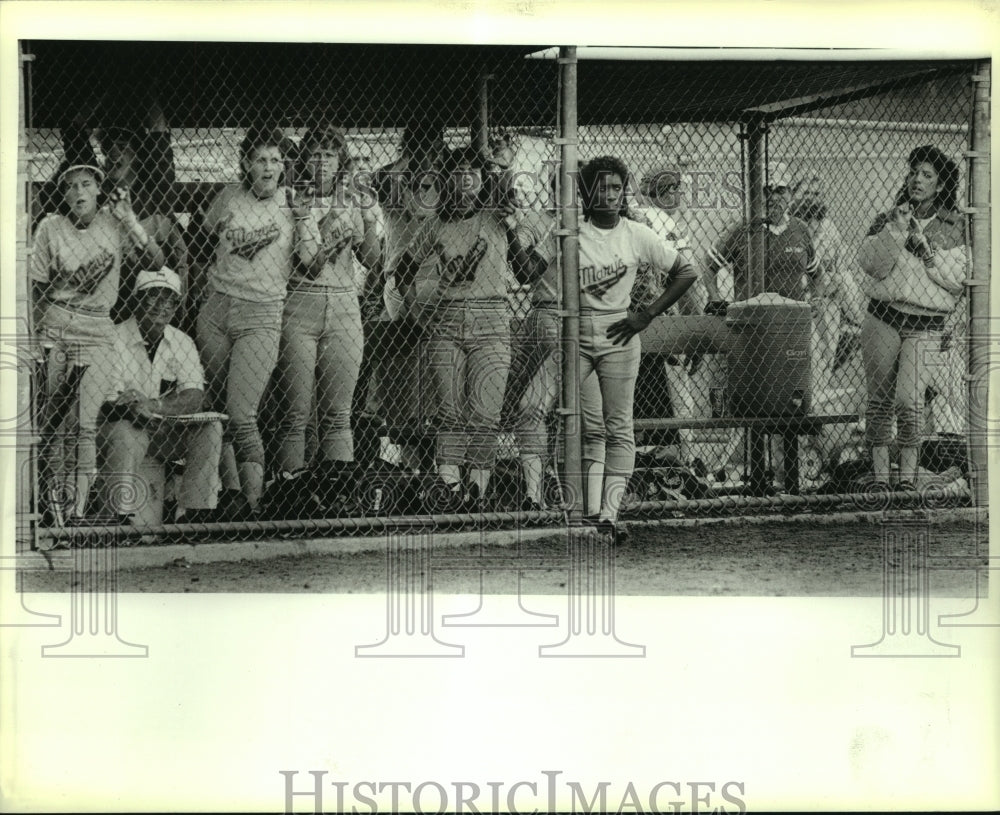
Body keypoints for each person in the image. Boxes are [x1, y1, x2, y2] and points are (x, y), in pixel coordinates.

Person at [395, 145, 535, 510]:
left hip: (491, 322)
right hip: (446, 322)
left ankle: (479, 491)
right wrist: (417, 311)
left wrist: (500, 168)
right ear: (447, 180)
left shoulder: (494, 214)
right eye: (457, 172)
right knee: (450, 411)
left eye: (472, 172)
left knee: (485, 412)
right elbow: (403, 271)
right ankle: (449, 490)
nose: (465, 179)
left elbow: (523, 270)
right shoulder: (435, 225)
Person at [193, 125, 320, 516]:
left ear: (285, 167)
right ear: (247, 164)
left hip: (262, 315)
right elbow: (199, 244)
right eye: (260, 159)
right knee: (216, 408)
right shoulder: (229, 197)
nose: (268, 166)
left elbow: (312, 265)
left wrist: (302, 221)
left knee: (242, 412)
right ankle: (229, 498)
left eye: (276, 159)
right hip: (216, 311)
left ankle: (254, 506)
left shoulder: (294, 203)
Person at [30, 159, 166, 523]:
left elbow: (156, 261)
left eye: (87, 183)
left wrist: (130, 220)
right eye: (71, 185)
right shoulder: (50, 228)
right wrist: (37, 337)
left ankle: (75, 512)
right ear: (63, 193)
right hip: (57, 328)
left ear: (98, 189)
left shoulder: (113, 223)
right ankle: (56, 511)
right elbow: (37, 290)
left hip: (97, 330)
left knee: (83, 423)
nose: (79, 192)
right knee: (56, 425)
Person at [574, 156, 697, 533]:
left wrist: (646, 314)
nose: (609, 195)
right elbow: (533, 271)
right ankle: (591, 511)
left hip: (620, 335)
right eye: (601, 187)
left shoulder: (635, 232)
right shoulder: (572, 233)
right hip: (578, 335)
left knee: (619, 426)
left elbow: (686, 271)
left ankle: (610, 514)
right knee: (590, 427)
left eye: (616, 188)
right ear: (586, 192)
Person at [271, 124, 382, 510]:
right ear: (305, 159)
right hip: (299, 303)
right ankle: (292, 498)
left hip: (344, 304)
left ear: (341, 162)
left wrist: (367, 218)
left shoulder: (354, 199)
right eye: (315, 153)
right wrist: (326, 216)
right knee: (297, 413)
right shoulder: (291, 198)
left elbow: (371, 260)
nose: (322, 162)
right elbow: (300, 260)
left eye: (330, 155)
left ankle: (337, 498)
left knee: (339, 412)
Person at [857, 145, 968, 490]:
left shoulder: (955, 224)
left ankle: (906, 480)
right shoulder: (890, 218)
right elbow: (871, 266)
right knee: (878, 400)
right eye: (913, 172)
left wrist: (926, 252)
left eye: (927, 174)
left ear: (941, 183)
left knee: (909, 401)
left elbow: (959, 280)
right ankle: (879, 480)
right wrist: (895, 233)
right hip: (884, 317)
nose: (917, 179)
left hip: (927, 324)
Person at [97, 269, 222, 523]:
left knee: (211, 427)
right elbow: (111, 403)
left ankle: (193, 515)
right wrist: (135, 409)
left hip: (164, 429)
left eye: (170, 299)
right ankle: (117, 519)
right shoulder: (113, 337)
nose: (162, 305)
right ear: (136, 299)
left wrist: (156, 406)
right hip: (123, 429)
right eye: (153, 295)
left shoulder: (181, 340)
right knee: (126, 432)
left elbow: (195, 394)